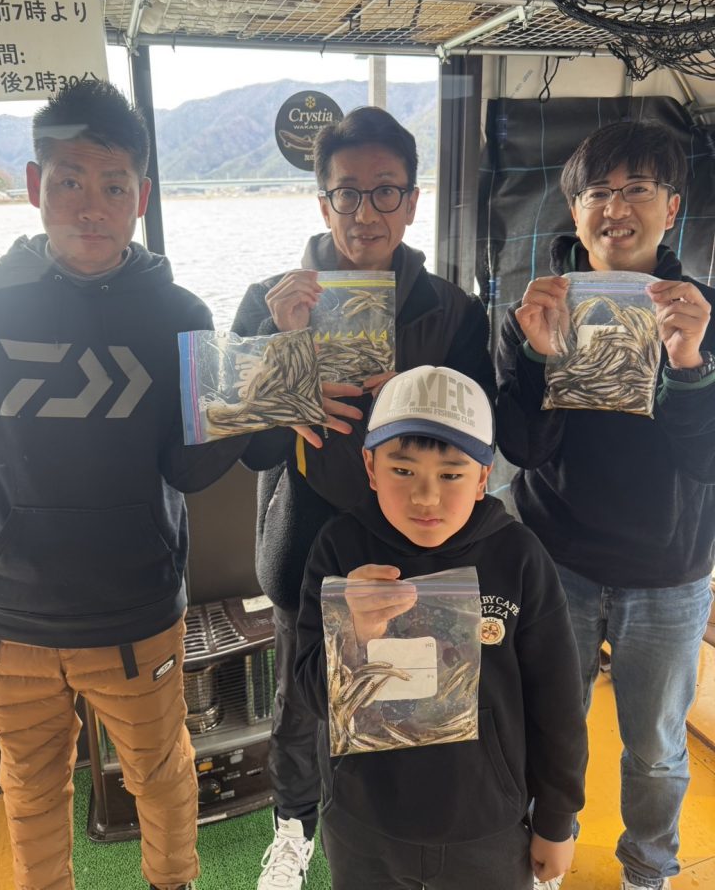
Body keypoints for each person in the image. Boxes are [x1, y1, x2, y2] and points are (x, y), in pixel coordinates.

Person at [0, 79, 254, 890]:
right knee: (29, 789)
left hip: (136, 617)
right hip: (7, 623)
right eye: (70, 182)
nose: (91, 207)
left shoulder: (180, 312)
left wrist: (252, 406)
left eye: (114, 187)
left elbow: (187, 469)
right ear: (34, 185)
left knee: (162, 775)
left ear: (141, 197)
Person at [232, 106, 497, 890]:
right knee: (301, 702)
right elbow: (251, 450)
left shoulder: (452, 310)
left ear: (411, 201)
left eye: (385, 191)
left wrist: (413, 398)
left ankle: (393, 833)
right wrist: (289, 369)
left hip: (418, 540)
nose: (365, 211)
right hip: (307, 538)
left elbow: (480, 438)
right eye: (347, 193)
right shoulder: (268, 300)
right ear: (323, 203)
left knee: (410, 694)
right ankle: (293, 830)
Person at [495, 119, 715, 890]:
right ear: (575, 210)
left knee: (654, 749)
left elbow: (707, 461)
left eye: (637, 190)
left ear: (672, 206)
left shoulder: (704, 314)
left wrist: (688, 363)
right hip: (557, 561)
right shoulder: (536, 310)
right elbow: (524, 449)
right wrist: (536, 356)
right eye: (597, 193)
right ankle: (540, 859)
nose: (616, 208)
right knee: (546, 726)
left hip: (671, 572)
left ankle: (648, 873)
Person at [293, 365, 588, 890]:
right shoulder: (339, 549)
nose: (426, 497)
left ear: (482, 476)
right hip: (364, 823)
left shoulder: (518, 556)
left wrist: (556, 820)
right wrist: (351, 634)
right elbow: (309, 693)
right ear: (370, 466)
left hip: (488, 824)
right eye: (402, 470)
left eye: (451, 474)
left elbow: (558, 701)